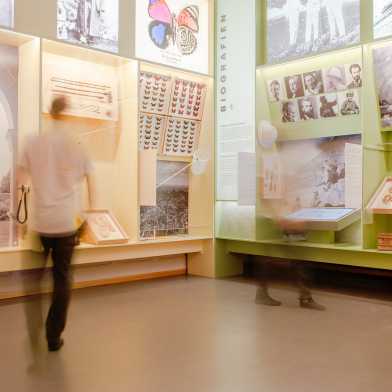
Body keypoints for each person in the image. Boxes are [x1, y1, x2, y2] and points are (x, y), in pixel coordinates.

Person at [18, 96, 96, 352]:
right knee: (62, 280)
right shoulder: (76, 145)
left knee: (34, 279)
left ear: (49, 113)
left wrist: (21, 219)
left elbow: (20, 180)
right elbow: (91, 181)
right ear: (67, 114)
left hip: (40, 224)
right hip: (65, 224)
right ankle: (53, 336)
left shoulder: (33, 142)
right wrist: (90, 216)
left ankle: (32, 332)